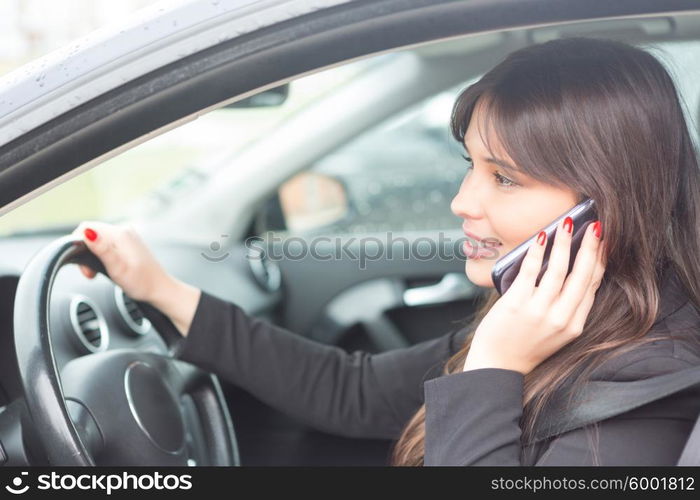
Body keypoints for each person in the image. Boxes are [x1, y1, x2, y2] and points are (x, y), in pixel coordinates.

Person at [71, 36, 700, 466]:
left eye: (504, 178)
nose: (462, 202)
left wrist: (494, 366)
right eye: (470, 167)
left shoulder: (651, 391)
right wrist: (164, 290)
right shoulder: (566, 321)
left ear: (605, 207)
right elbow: (354, 393)